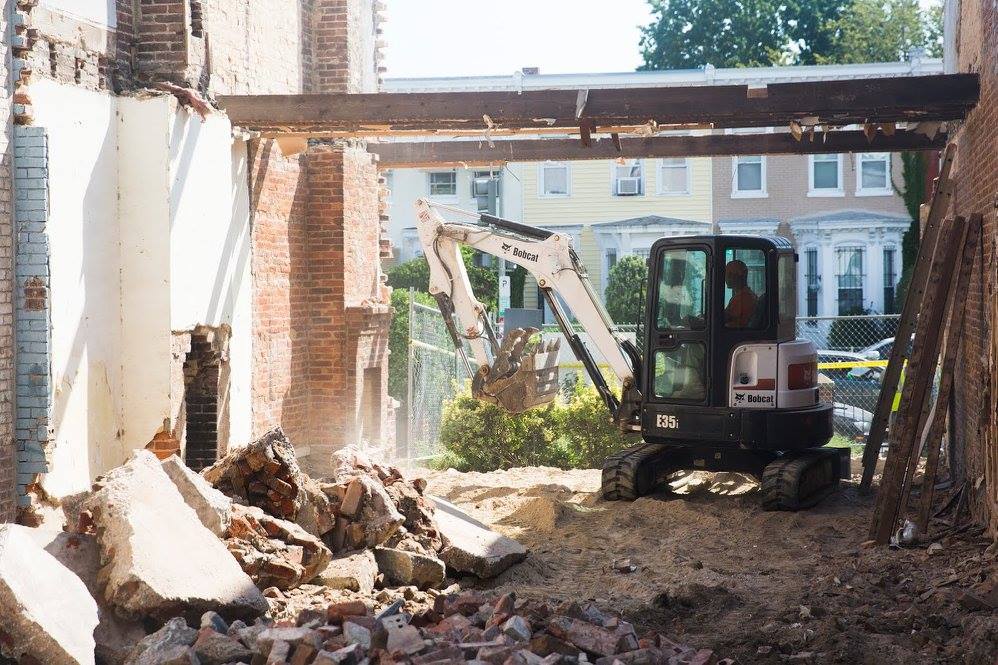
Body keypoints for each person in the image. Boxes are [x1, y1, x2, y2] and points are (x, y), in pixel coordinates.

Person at [724, 259, 758, 327]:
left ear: (737, 276)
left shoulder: (744, 297)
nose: (726, 278)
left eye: (728, 274)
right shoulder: (743, 295)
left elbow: (724, 318)